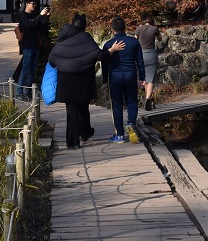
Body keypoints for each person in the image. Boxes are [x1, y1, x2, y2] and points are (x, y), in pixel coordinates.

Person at [49, 13, 126, 149]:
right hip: (83, 79)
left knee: (71, 111)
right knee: (83, 109)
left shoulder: (62, 37)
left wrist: (64, 65)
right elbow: (99, 55)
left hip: (66, 80)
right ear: (84, 26)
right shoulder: (85, 37)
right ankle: (85, 132)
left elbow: (52, 59)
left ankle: (72, 143)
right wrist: (112, 50)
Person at [101, 16, 145, 143]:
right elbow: (140, 62)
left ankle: (119, 135)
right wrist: (142, 77)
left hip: (114, 75)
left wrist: (105, 79)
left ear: (112, 30)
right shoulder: (133, 42)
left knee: (117, 104)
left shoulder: (109, 44)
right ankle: (131, 123)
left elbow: (104, 63)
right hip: (130, 73)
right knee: (132, 101)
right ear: (125, 28)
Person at [15, 0, 49, 101]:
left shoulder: (34, 15)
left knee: (32, 70)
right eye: (32, 4)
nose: (34, 5)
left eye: (35, 4)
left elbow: (40, 25)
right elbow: (28, 25)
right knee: (26, 69)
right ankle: (19, 92)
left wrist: (46, 16)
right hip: (27, 46)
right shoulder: (22, 15)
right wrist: (40, 15)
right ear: (27, 4)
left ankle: (28, 92)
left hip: (35, 45)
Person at [134, 16, 162, 111]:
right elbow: (160, 39)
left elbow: (135, 40)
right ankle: (148, 100)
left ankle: (149, 99)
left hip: (141, 55)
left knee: (144, 78)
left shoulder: (138, 29)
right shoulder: (155, 29)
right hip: (151, 55)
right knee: (150, 79)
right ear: (152, 21)